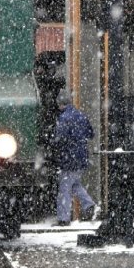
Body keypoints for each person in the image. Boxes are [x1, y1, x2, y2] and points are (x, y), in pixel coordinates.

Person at [49, 89, 97, 226]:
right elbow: (91, 134)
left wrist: (54, 148)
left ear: (60, 104)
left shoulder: (63, 118)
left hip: (69, 158)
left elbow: (59, 139)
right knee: (74, 184)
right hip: (81, 158)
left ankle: (63, 219)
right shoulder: (81, 115)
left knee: (64, 189)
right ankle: (90, 206)